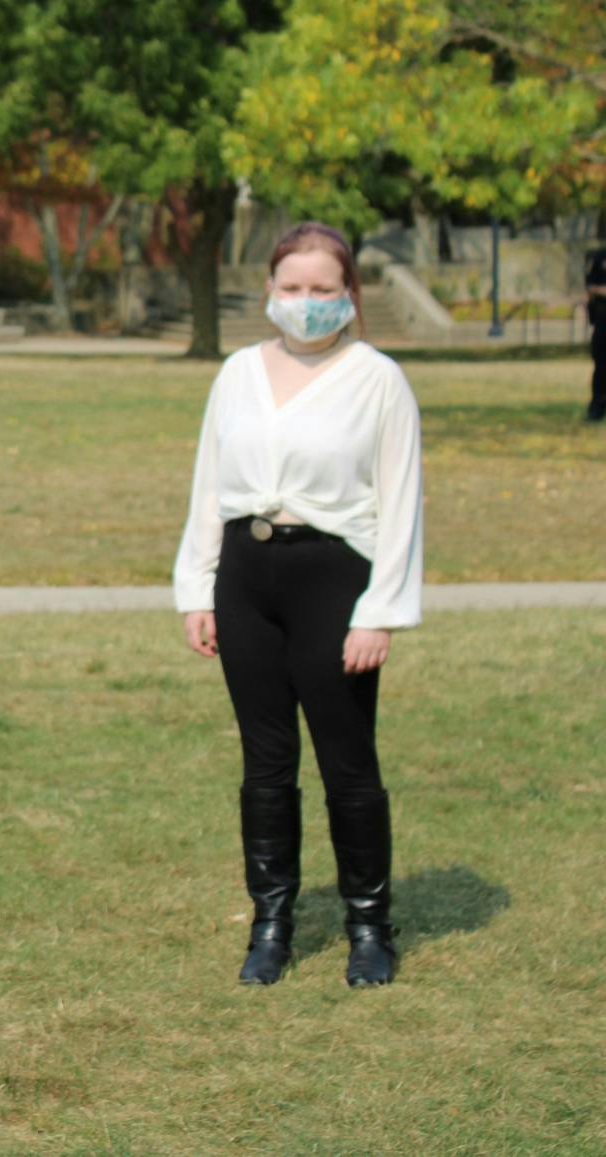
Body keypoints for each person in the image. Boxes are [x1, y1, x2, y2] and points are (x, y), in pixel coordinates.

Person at [174, 221, 424, 989]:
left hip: (335, 578)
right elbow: (209, 487)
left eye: (323, 290)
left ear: (349, 295)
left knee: (347, 760)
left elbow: (400, 499)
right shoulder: (238, 372)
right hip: (247, 576)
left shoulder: (377, 378)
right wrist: (198, 587)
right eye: (292, 288)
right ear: (270, 292)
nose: (307, 302)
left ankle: (368, 926)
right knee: (266, 762)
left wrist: (380, 609)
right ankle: (272, 923)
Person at [583, 247, 605, 422]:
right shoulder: (599, 258)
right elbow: (589, 287)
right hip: (602, 323)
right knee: (601, 367)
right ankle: (597, 408)